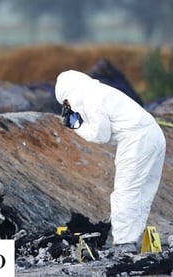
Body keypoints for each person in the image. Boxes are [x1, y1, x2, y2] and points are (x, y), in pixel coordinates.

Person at [55, 70, 166, 253]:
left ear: (68, 94)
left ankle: (124, 243)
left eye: (66, 103)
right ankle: (130, 239)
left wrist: (77, 125)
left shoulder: (90, 98)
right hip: (154, 134)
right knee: (142, 191)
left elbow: (100, 135)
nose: (69, 107)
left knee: (125, 190)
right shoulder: (99, 91)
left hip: (136, 138)